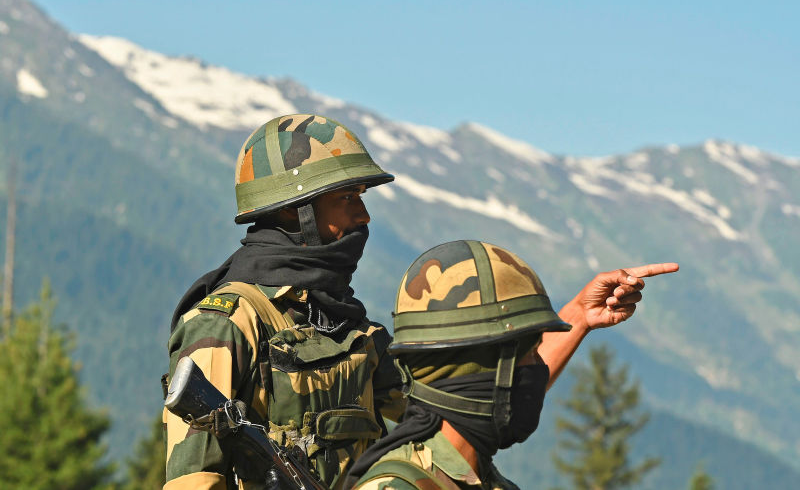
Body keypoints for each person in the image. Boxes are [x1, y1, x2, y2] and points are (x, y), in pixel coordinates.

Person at [163, 114, 407, 490]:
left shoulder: (344, 321)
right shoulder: (228, 321)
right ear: (295, 209)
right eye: (347, 198)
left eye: (361, 196)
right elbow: (194, 482)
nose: (364, 215)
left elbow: (429, 418)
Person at [346, 240, 678, 489]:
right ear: (480, 371)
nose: (540, 369)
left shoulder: (475, 477)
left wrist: (580, 315)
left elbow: (505, 382)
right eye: (532, 353)